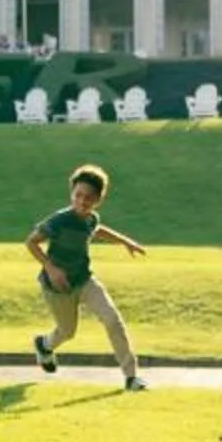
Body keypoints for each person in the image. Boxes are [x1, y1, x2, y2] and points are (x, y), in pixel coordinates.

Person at [27, 164, 150, 390]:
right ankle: (44, 345)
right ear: (72, 194)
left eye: (89, 198)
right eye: (78, 195)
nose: (82, 201)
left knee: (113, 320)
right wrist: (51, 268)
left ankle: (131, 377)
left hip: (84, 280)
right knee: (67, 332)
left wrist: (125, 242)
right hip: (58, 287)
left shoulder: (91, 218)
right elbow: (31, 242)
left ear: (98, 200)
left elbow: (97, 229)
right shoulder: (59, 221)